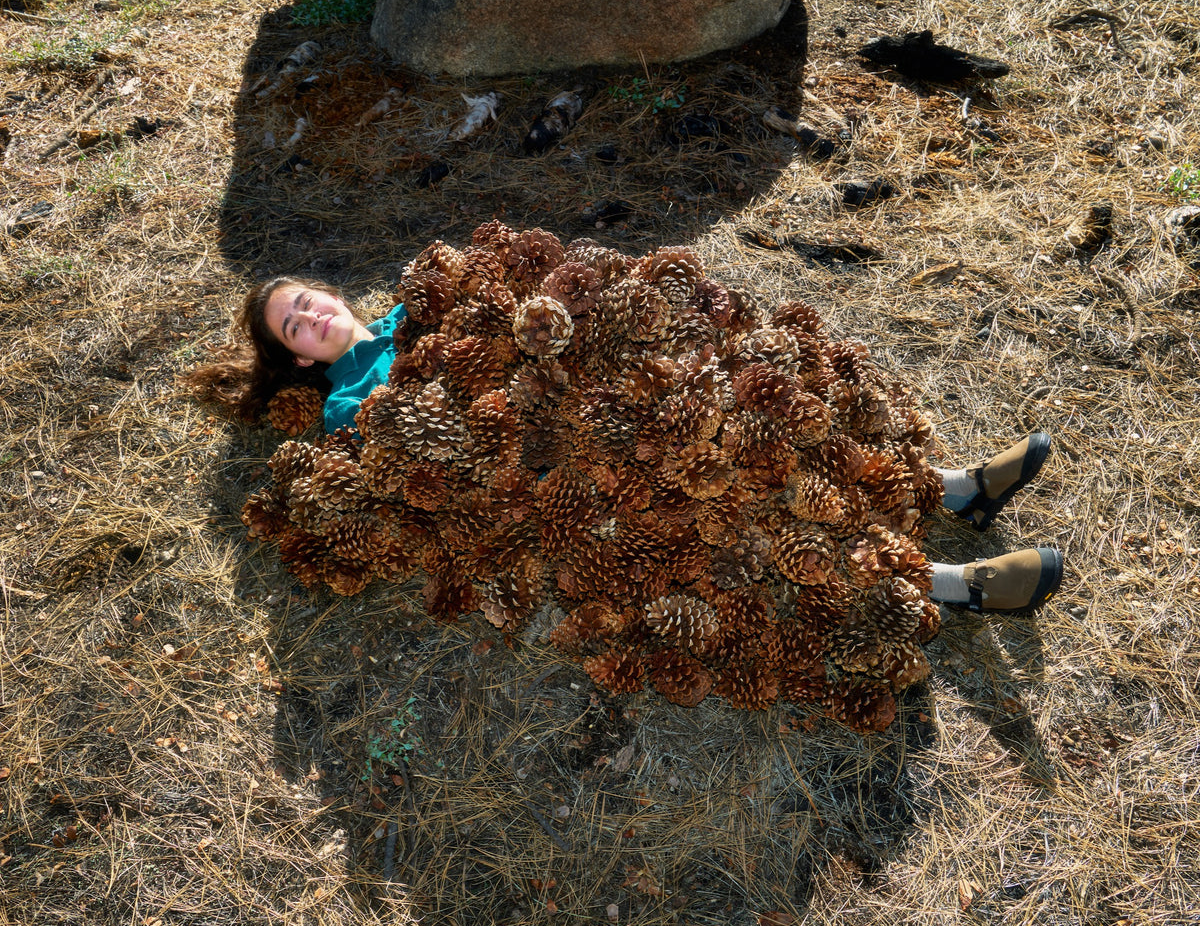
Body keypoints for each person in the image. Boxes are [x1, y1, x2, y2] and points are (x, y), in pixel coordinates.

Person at [187, 277, 1063, 615]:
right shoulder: (346, 405)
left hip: (600, 395)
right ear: (297, 356)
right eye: (291, 324)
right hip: (548, 467)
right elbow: (424, 434)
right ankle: (955, 587)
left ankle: (945, 489)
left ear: (332, 297)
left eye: (306, 298)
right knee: (734, 517)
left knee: (761, 431)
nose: (309, 315)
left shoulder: (417, 300)